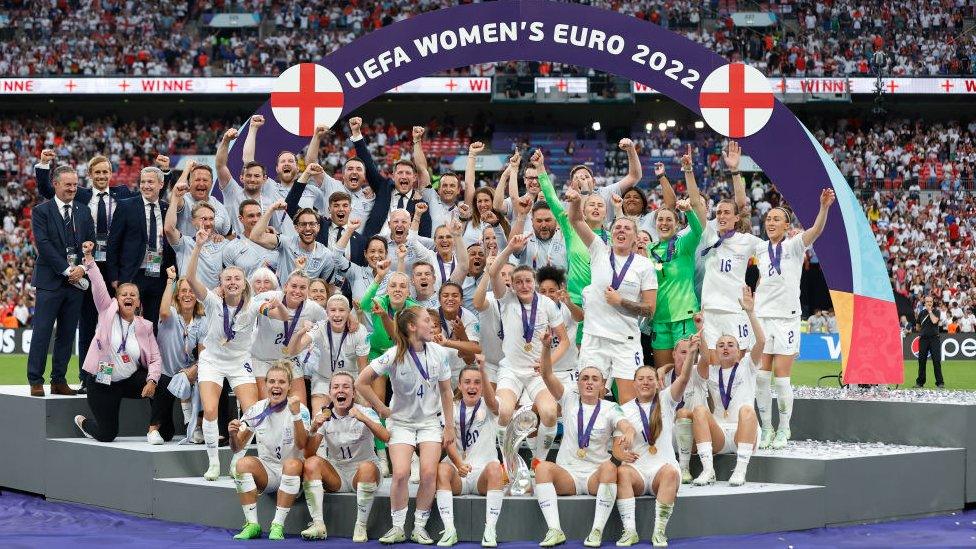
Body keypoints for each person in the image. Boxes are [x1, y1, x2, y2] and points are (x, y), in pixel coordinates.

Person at [35, 151, 138, 386]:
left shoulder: (122, 194)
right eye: (97, 172)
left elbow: (149, 195)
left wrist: (162, 173)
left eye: (106, 171)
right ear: (90, 175)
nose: (102, 176)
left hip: (113, 270)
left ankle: (114, 375)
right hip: (86, 266)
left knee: (114, 325)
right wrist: (43, 165)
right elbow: (47, 191)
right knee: (88, 324)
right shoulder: (79, 195)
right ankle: (86, 377)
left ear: (111, 174)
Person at [355, 307, 455, 545]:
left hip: (430, 421)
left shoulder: (440, 353)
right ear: (412, 327)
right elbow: (361, 382)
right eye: (427, 321)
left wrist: (449, 426)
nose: (432, 325)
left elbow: (446, 391)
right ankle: (398, 526)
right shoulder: (392, 354)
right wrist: (380, 408)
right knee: (400, 473)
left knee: (429, 473)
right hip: (401, 422)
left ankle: (419, 527)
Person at [535, 331, 636, 548]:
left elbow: (624, 424)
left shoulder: (610, 407)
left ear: (602, 386)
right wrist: (545, 347)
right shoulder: (569, 399)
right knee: (542, 468)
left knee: (611, 468)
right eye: (585, 378)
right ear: (578, 382)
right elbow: (546, 374)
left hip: (594, 476)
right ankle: (555, 529)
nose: (589, 383)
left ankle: (596, 530)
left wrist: (628, 431)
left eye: (595, 379)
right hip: (568, 474)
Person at [755, 189, 835, 449]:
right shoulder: (760, 248)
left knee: (782, 379)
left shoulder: (794, 245)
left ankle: (784, 427)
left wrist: (823, 208)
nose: (771, 222)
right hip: (762, 318)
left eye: (776, 219)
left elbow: (816, 231)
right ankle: (766, 428)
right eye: (768, 218)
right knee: (761, 378)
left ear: (787, 225)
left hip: (786, 319)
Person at [185, 228, 265, 481]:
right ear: (221, 284)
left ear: (244, 284)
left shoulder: (252, 305)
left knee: (252, 412)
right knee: (210, 410)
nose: (232, 282)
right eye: (227, 278)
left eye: (236, 279)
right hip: (212, 361)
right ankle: (213, 462)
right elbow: (189, 278)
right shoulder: (211, 301)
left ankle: (237, 460)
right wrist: (197, 246)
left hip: (240, 363)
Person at [567, 187, 657, 403]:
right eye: (618, 227)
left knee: (629, 402)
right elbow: (576, 220)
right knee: (588, 400)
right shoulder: (599, 248)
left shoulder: (644, 265)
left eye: (627, 228)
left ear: (636, 237)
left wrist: (621, 302)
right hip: (594, 339)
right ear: (611, 232)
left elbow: (649, 309)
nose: (621, 230)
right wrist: (576, 201)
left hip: (625, 341)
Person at [489, 234, 570, 468]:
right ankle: (508, 462)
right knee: (503, 411)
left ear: (534, 282)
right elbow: (493, 273)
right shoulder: (506, 300)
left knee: (550, 413)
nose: (524, 286)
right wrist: (509, 250)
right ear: (512, 285)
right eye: (519, 282)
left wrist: (547, 364)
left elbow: (563, 341)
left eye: (528, 281)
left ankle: (538, 462)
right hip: (511, 370)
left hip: (537, 373)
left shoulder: (546, 305)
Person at [614, 335, 698, 547]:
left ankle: (659, 532)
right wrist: (621, 455)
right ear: (633, 384)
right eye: (640, 379)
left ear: (657, 382)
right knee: (622, 471)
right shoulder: (623, 410)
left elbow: (684, 378)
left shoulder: (666, 399)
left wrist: (692, 353)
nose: (645, 382)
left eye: (650, 378)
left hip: (662, 470)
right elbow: (616, 449)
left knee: (670, 470)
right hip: (638, 473)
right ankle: (629, 531)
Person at [73, 241, 162, 442]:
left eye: (133, 295)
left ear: (138, 302)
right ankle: (84, 423)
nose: (128, 297)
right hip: (103, 382)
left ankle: (156, 428)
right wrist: (88, 259)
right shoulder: (107, 312)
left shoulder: (145, 326)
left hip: (130, 381)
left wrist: (152, 380)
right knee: (107, 434)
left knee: (163, 382)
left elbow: (155, 359)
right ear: (117, 298)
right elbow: (97, 284)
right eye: (124, 294)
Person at [28, 165, 97, 396]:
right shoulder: (41, 211)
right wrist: (68, 270)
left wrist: (81, 266)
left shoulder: (83, 211)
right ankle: (35, 380)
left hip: (76, 283)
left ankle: (58, 379)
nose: (72, 188)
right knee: (42, 332)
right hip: (51, 281)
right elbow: (44, 246)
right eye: (67, 184)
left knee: (67, 334)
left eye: (75, 184)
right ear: (55, 184)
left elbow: (90, 242)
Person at [300, 371, 390, 541]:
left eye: (346, 387)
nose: (340, 390)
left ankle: (360, 527)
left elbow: (385, 437)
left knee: (367, 467)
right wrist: (313, 429)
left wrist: (364, 419)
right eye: (336, 387)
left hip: (364, 472)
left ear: (354, 393)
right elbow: (308, 454)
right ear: (330, 393)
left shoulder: (364, 411)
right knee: (312, 463)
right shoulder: (323, 415)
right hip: (337, 473)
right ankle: (318, 524)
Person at [691, 287, 765, 487]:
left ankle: (740, 470)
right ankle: (708, 470)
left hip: (744, 432)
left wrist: (750, 312)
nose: (725, 347)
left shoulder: (747, 365)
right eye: (721, 344)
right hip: (720, 435)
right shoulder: (712, 370)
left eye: (731, 344)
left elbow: (761, 341)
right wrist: (700, 329)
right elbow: (705, 356)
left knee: (748, 410)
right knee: (699, 410)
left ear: (739, 352)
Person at [229, 364, 311, 541]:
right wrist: (232, 435)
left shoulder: (300, 409)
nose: (276, 385)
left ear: (289, 386)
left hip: (294, 472)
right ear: (265, 385)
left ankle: (277, 525)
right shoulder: (257, 409)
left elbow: (303, 445)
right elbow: (237, 448)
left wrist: (296, 415)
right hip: (269, 472)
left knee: (292, 464)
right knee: (241, 464)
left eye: (282, 382)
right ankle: (252, 525)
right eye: (272, 381)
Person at [644, 155, 706, 371]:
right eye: (660, 219)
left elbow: (698, 229)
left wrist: (689, 211)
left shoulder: (683, 245)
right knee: (663, 374)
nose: (664, 223)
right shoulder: (648, 250)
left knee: (686, 373)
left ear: (677, 224)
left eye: (669, 219)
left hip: (685, 317)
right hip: (659, 319)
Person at [435, 360, 505, 547]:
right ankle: (449, 530)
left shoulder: (490, 404)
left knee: (495, 468)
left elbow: (493, 403)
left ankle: (490, 529)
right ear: (459, 385)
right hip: (458, 473)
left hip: (483, 475)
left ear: (483, 385)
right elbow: (447, 438)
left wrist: (483, 370)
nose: (472, 386)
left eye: (477, 382)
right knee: (441, 468)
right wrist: (458, 463)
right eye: (467, 382)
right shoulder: (450, 407)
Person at [107, 166, 174, 328]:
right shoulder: (125, 206)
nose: (146, 186)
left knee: (153, 324)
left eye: (150, 182)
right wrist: (114, 276)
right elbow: (113, 243)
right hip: (132, 274)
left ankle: (150, 353)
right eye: (143, 182)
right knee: (126, 323)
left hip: (158, 275)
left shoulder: (167, 209)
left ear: (160, 184)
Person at [249, 271, 326, 404]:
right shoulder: (269, 297)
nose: (297, 291)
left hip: (289, 359)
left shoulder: (312, 308)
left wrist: (351, 319)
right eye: (294, 286)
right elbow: (245, 302)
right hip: (262, 360)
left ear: (307, 290)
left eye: (302, 288)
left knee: (300, 408)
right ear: (285, 286)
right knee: (268, 406)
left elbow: (330, 319)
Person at [286, 295, 369, 414]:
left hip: (351, 380)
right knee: (318, 416)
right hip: (323, 380)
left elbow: (363, 368)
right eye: (333, 310)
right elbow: (292, 351)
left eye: (341, 310)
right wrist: (301, 333)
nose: (337, 314)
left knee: (363, 414)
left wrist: (363, 396)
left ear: (348, 312)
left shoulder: (359, 331)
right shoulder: (320, 327)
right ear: (327, 312)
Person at [152, 266, 205, 444]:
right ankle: (155, 429)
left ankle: (194, 426)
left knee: (203, 376)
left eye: (191, 291)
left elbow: (203, 353)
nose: (188, 295)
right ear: (177, 295)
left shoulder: (201, 320)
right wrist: (170, 281)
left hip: (187, 372)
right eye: (183, 291)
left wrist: (194, 369)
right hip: (166, 374)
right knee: (166, 434)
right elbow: (163, 311)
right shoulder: (171, 314)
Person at [164, 182, 229, 289]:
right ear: (193, 222)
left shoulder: (223, 243)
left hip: (211, 302)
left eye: (211, 219)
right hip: (187, 299)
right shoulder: (184, 243)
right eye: (203, 219)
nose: (208, 223)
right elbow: (169, 229)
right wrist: (175, 198)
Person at [432, 282, 482, 384]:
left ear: (461, 300)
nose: (450, 299)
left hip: (461, 372)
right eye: (445, 295)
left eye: (455, 295)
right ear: (439, 299)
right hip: (436, 372)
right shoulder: (430, 316)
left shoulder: (470, 319)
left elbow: (472, 357)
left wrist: (462, 334)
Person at [915, 295, 944, 388]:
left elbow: (935, 321)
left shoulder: (936, 311)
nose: (929, 303)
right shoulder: (921, 313)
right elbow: (917, 326)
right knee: (922, 361)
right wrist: (923, 331)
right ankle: (920, 382)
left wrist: (930, 311)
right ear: (924, 302)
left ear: (932, 302)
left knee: (936, 361)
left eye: (930, 302)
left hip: (934, 339)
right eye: (927, 302)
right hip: (923, 339)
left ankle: (940, 383)